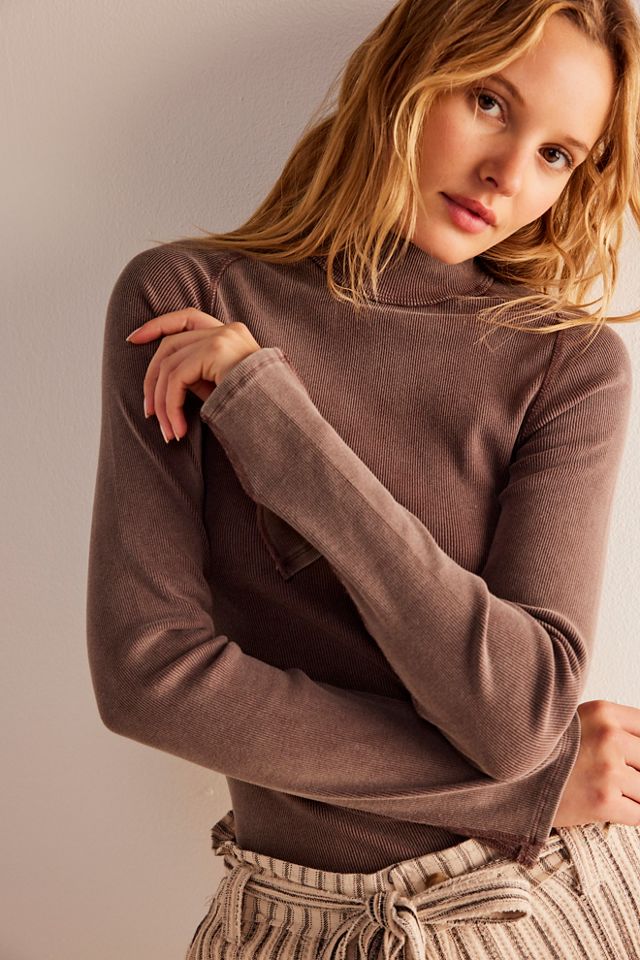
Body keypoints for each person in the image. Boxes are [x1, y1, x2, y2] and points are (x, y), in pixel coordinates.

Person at [86, 0, 640, 956]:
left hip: (538, 903)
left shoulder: (566, 364)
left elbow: (520, 717)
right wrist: (522, 792)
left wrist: (279, 431)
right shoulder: (186, 300)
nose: (509, 175)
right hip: (287, 919)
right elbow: (151, 678)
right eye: (489, 102)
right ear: (410, 73)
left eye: (557, 154)